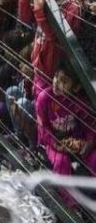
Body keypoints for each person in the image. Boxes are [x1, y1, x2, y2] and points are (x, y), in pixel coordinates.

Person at [36, 61, 96, 207]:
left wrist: (87, 144)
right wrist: (57, 144)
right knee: (60, 162)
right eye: (56, 77)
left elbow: (91, 127)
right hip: (53, 143)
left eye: (64, 81)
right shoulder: (45, 98)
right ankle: (70, 205)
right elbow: (43, 129)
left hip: (76, 142)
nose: (57, 83)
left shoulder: (78, 104)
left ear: (75, 87)